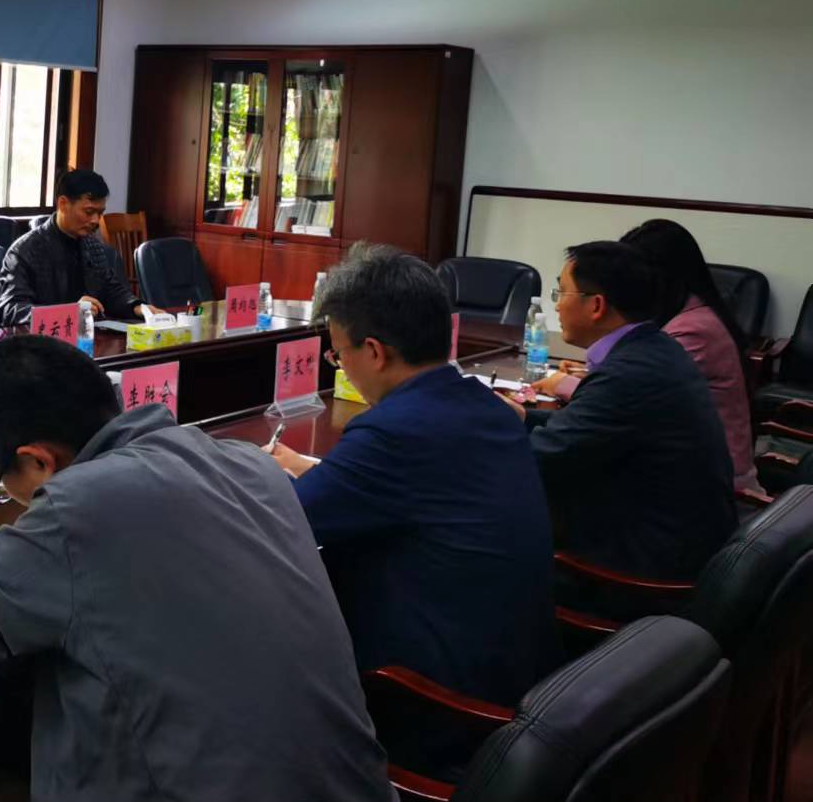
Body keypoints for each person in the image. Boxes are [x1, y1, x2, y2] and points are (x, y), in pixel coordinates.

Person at [0, 336, 411, 802]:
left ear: (39, 461)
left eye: (0, 484)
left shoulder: (75, 509)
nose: (8, 499)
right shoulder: (248, 465)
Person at [270, 245, 556, 710]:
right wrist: (309, 470)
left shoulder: (394, 431)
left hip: (436, 700)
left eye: (338, 354)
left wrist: (252, 472)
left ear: (374, 352)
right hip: (515, 670)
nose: (340, 365)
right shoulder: (486, 407)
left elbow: (284, 520)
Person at [500, 241, 735, 581]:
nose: (558, 306)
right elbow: (588, 429)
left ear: (596, 305)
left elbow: (538, 460)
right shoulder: (655, 349)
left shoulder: (629, 374)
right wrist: (523, 417)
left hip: (644, 566)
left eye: (561, 293)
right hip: (674, 535)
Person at [537, 220, 761, 498]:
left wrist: (563, 383)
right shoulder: (658, 337)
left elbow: (621, 395)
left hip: (713, 490)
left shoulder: (691, 331)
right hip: (681, 481)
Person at [0, 169, 148, 329]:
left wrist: (138, 307)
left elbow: (110, 289)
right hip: (33, 341)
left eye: (100, 213)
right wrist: (67, 313)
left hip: (81, 336)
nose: (96, 220)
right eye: (89, 212)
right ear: (63, 204)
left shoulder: (93, 246)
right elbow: (12, 311)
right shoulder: (24, 251)